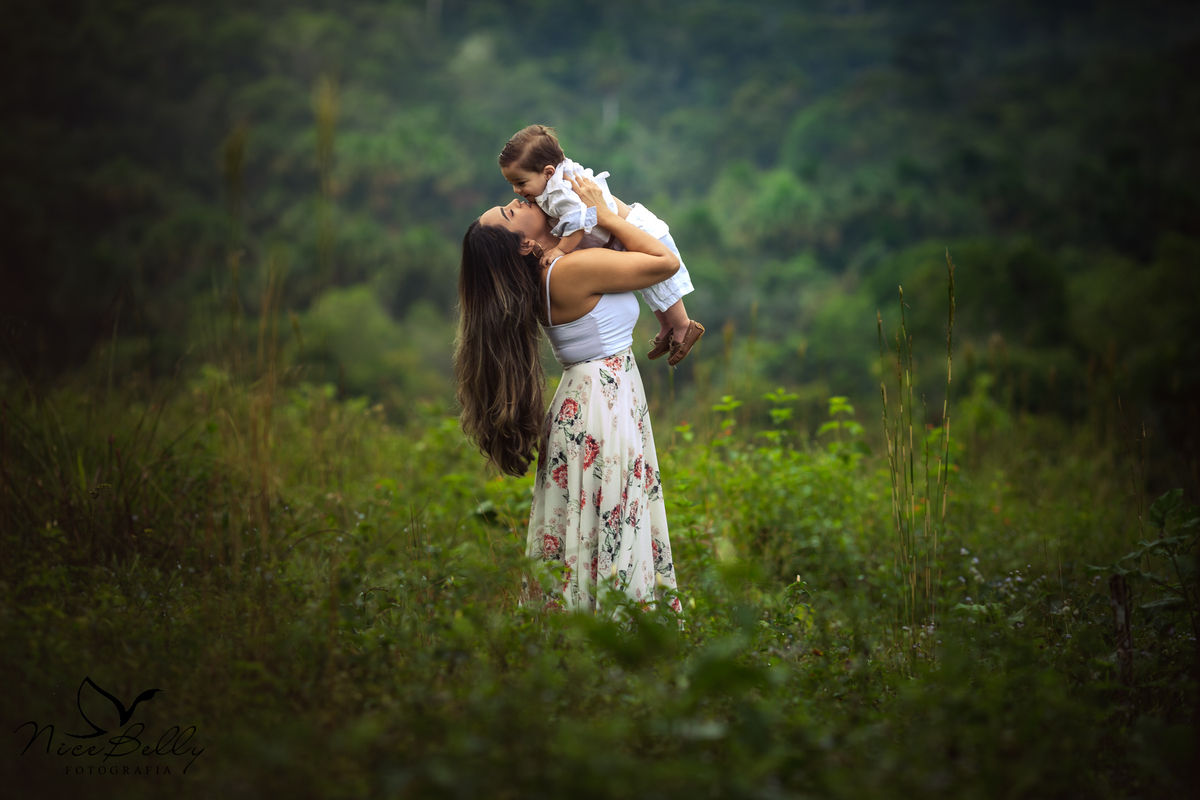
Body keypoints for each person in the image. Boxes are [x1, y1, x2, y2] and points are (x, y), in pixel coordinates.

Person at [456, 173, 683, 614]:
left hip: (594, 401)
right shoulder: (569, 271)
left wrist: (587, 214)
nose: (518, 202)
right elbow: (664, 261)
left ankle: (587, 639)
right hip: (601, 407)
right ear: (524, 245)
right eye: (509, 212)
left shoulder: (556, 268)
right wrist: (603, 212)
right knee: (609, 527)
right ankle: (618, 637)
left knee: (591, 534)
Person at [498, 124, 705, 367]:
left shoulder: (560, 192)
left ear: (548, 172)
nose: (517, 191)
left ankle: (683, 326)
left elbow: (577, 222)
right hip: (617, 236)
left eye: (521, 182)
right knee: (648, 285)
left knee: (661, 284)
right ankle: (667, 326)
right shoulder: (551, 185)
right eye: (512, 183)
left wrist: (561, 249)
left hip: (635, 230)